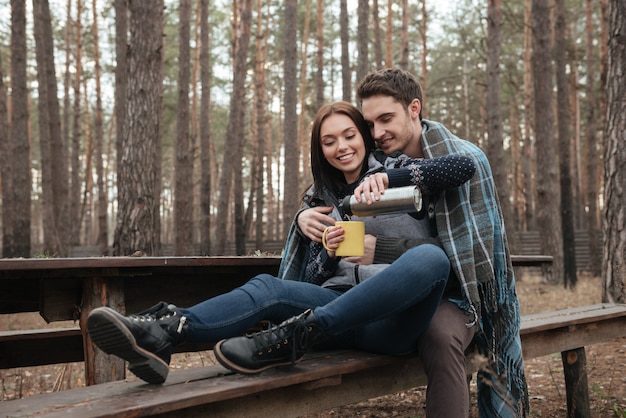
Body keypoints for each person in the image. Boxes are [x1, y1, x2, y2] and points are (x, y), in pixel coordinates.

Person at [87, 101, 473, 385]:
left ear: (364, 136)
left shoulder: (398, 171)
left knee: (431, 258)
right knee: (268, 287)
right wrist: (322, 240)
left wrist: (389, 188)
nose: (341, 147)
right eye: (328, 141)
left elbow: (462, 166)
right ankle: (165, 331)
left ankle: (297, 333)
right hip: (333, 312)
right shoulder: (319, 200)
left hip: (390, 323)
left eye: (349, 135)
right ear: (319, 150)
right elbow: (311, 279)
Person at [348, 68, 528, 417]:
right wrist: (303, 216)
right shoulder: (370, 164)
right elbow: (328, 195)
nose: (378, 133)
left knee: (439, 336)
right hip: (384, 293)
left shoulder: (465, 159)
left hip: (457, 296)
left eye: (386, 119)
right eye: (370, 124)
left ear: (414, 108)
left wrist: (381, 250)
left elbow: (467, 260)